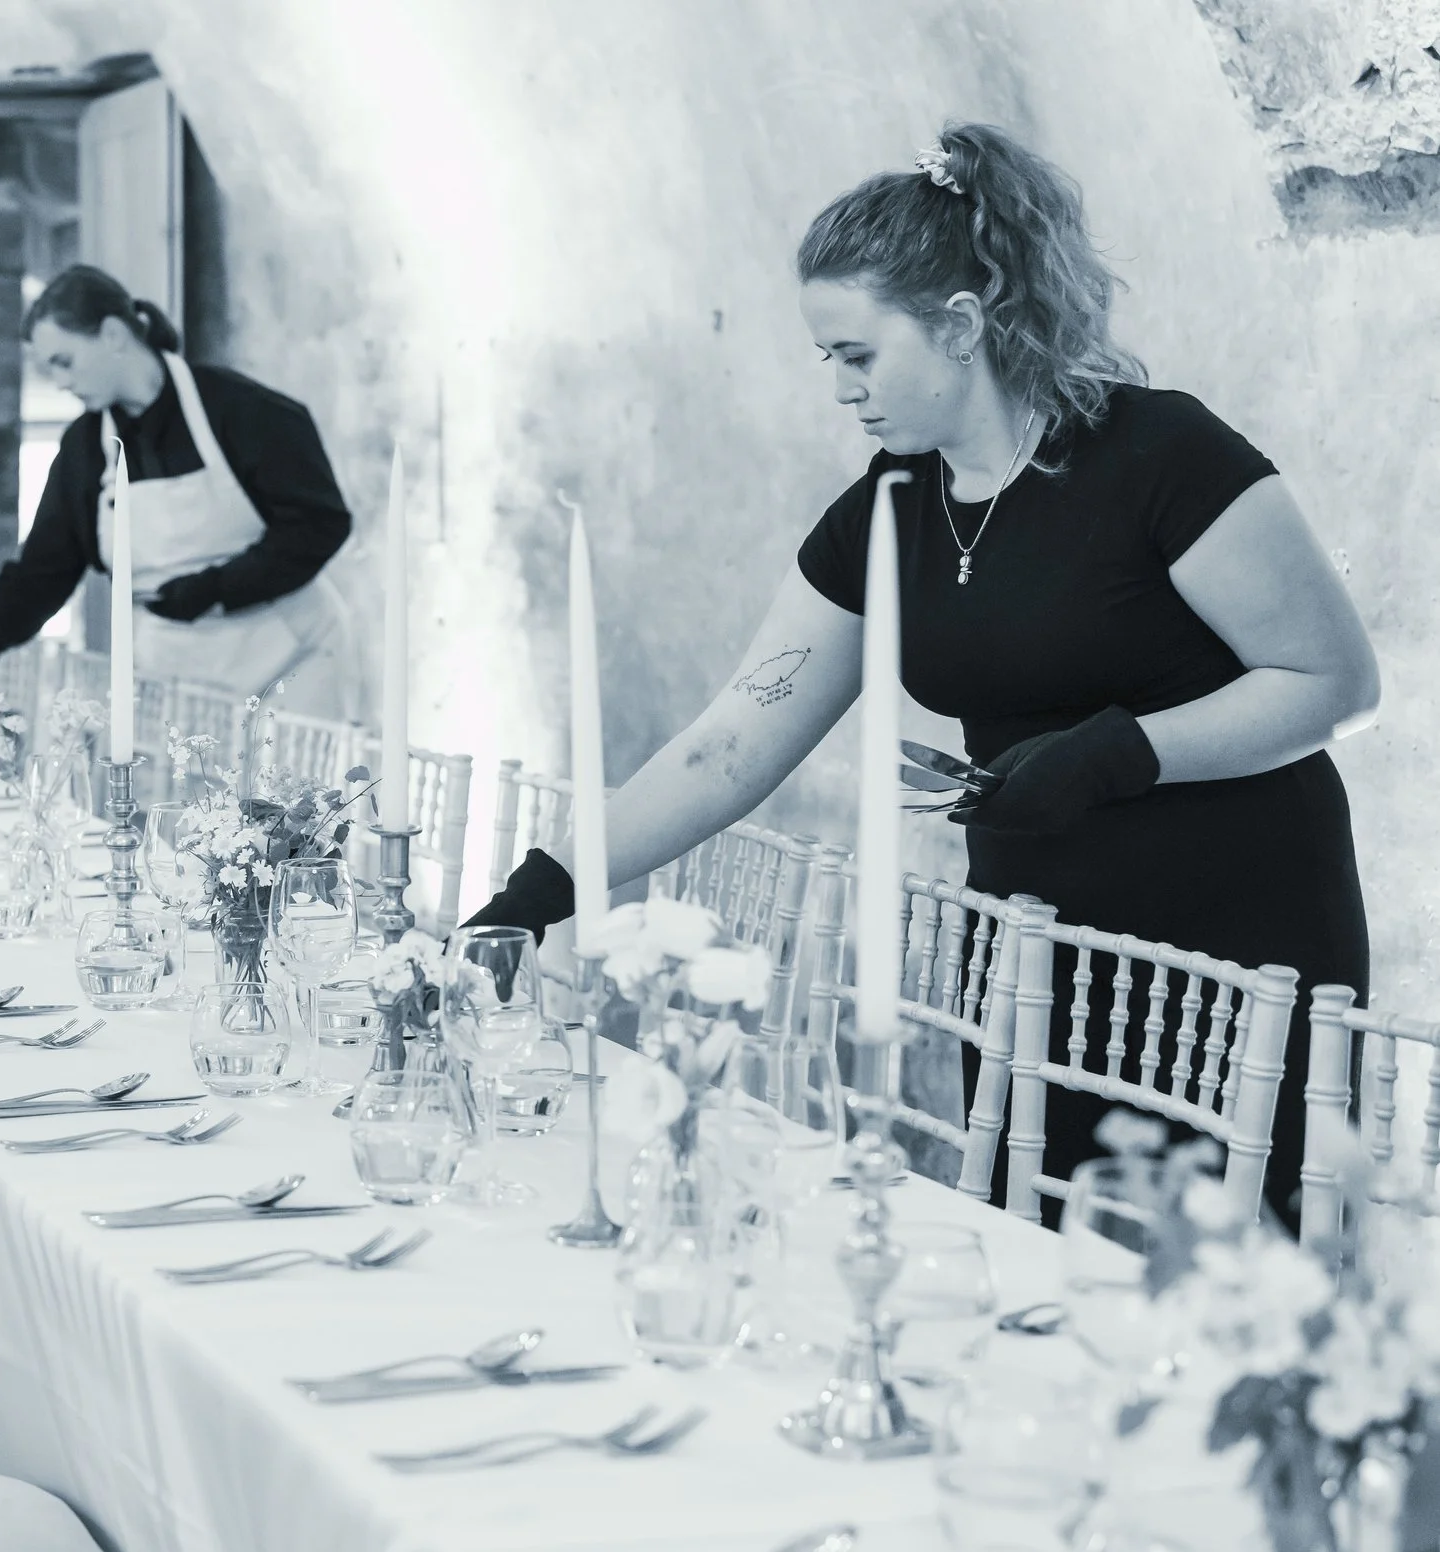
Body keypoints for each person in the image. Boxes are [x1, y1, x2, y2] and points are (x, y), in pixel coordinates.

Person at [468, 124, 1378, 1227]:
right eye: (827, 361)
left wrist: (1122, 751)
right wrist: (540, 891)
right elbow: (732, 739)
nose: (840, 389)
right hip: (1040, 942)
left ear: (959, 325)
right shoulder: (887, 509)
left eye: (857, 354)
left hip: (1240, 943)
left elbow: (1330, 678)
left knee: (1234, 1282)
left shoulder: (1160, 454)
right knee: (1041, 1255)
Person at [0, 265, 354, 710]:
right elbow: (36, 581)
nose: (59, 382)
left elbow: (319, 523)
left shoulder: (244, 411)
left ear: (113, 335)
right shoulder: (84, 451)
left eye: (64, 361)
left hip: (293, 665)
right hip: (175, 676)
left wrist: (215, 588)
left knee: (291, 783)